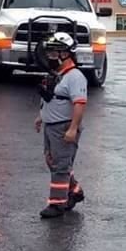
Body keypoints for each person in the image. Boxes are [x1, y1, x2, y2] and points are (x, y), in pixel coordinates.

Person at [34, 32, 88, 219]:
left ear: (65, 54)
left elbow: (79, 104)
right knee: (54, 162)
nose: (50, 56)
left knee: (60, 166)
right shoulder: (58, 75)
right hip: (51, 126)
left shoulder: (75, 77)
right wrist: (41, 116)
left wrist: (73, 129)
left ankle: (57, 204)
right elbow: (51, 99)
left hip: (64, 127)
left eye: (54, 53)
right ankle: (74, 191)